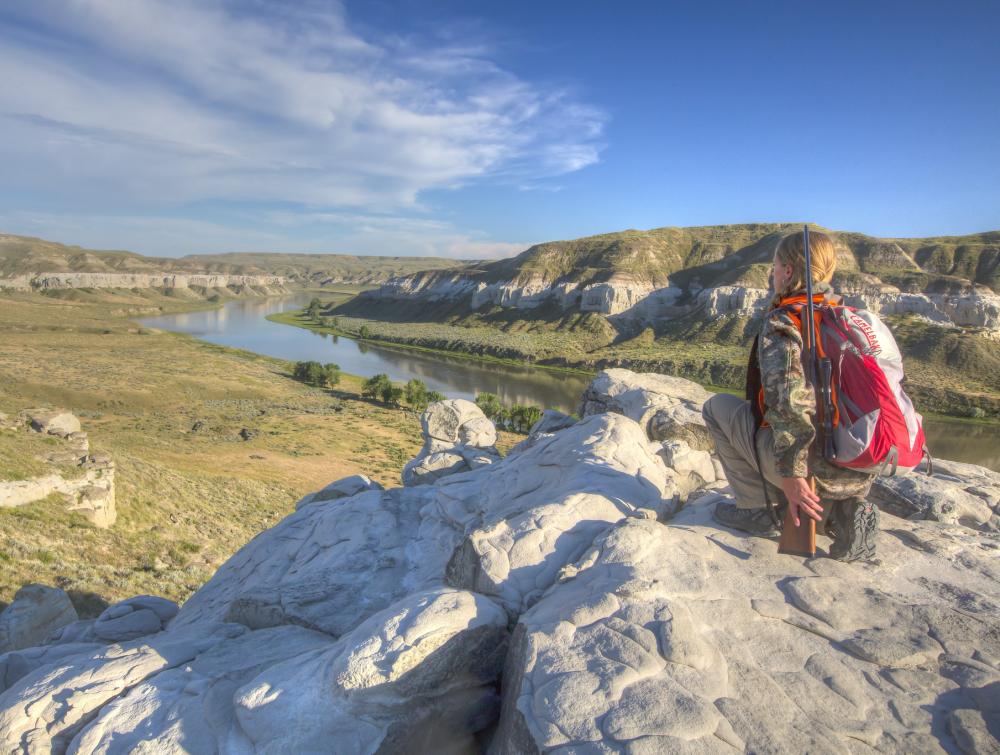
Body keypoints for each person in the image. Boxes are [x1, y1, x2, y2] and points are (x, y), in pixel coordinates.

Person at [701, 230, 879, 561]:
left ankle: (757, 508)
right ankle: (843, 513)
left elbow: (787, 404)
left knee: (716, 407)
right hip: (857, 464)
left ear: (787, 271)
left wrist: (794, 476)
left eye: (775, 265)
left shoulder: (786, 321)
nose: (772, 274)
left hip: (811, 467)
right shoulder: (849, 318)